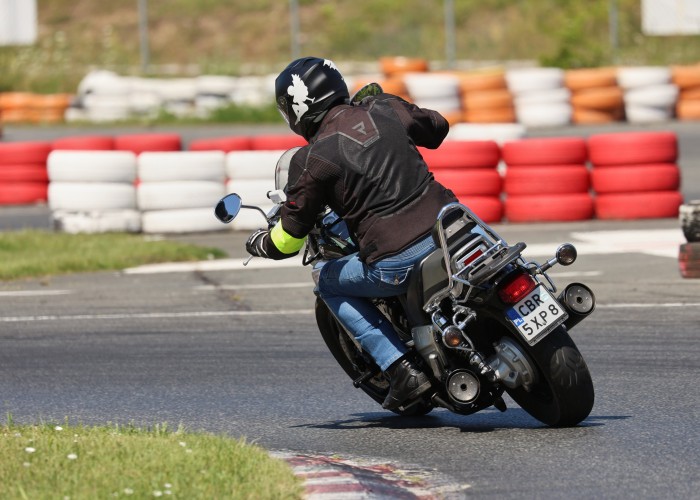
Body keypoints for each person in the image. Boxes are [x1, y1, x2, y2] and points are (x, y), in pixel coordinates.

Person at [245, 56, 457, 410]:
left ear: (298, 108)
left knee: (326, 280)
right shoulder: (385, 107)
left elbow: (290, 237)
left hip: (398, 256)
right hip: (455, 227)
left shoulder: (313, 158)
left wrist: (261, 242)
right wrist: (401, 110)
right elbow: (437, 128)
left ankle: (402, 368)